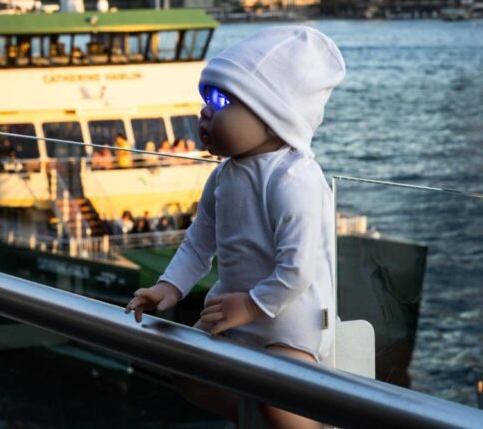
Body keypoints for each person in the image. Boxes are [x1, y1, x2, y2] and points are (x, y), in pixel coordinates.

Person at [125, 26, 346, 429]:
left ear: (273, 114)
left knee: (279, 403)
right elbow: (198, 245)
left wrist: (251, 305)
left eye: (221, 100)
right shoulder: (224, 176)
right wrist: (168, 287)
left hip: (289, 322)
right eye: (205, 99)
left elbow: (298, 269)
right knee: (187, 369)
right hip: (231, 313)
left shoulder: (293, 178)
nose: (205, 112)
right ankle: (250, 412)